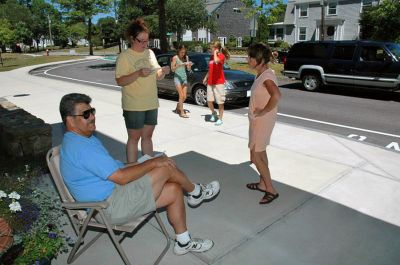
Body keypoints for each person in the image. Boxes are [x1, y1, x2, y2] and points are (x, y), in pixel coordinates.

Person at [59, 93, 221, 255]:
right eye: (86, 114)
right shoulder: (82, 148)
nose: (92, 117)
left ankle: (183, 242)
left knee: (173, 189)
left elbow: (117, 168)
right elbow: (121, 177)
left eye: (92, 111)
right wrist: (152, 163)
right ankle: (197, 192)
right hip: (109, 207)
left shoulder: (82, 139)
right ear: (70, 120)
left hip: (115, 194)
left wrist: (143, 162)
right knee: (165, 167)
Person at [115, 18, 170, 163]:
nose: (145, 44)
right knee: (134, 139)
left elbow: (157, 75)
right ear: (132, 39)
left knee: (148, 137)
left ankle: (149, 169)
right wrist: (138, 73)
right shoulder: (124, 56)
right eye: (142, 41)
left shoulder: (150, 53)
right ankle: (132, 171)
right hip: (134, 105)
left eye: (147, 40)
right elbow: (120, 81)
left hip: (151, 103)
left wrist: (163, 71)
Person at [245, 43, 281, 204]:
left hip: (262, 121)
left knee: (256, 155)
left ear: (258, 59)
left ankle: (271, 189)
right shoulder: (262, 73)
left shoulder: (266, 76)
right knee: (259, 152)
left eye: (250, 57)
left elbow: (276, 95)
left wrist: (264, 110)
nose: (247, 59)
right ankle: (262, 183)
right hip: (258, 121)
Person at [203, 41, 230, 126]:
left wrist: (215, 53)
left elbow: (216, 61)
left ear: (216, 48)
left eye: (212, 48)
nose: (210, 49)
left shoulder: (221, 56)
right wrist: (206, 77)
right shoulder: (211, 57)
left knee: (220, 102)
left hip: (219, 83)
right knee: (209, 101)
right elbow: (210, 69)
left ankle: (220, 119)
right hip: (210, 82)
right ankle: (214, 113)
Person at [171, 44, 192, 118]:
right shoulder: (175, 58)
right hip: (177, 78)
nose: (183, 54)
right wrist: (181, 64)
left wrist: (189, 66)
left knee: (185, 97)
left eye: (184, 52)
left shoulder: (186, 57)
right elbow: (172, 69)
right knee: (181, 95)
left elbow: (188, 69)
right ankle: (181, 112)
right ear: (178, 51)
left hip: (184, 78)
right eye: (182, 52)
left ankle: (178, 107)